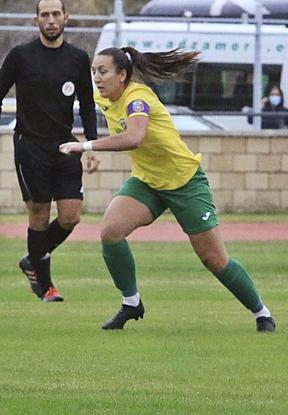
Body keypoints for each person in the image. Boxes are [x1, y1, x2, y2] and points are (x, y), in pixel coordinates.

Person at [58, 46, 276, 333]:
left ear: (122, 74)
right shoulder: (103, 96)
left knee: (214, 260)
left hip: (184, 180)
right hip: (148, 181)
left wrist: (85, 146)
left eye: (103, 71)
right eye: (94, 71)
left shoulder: (137, 97)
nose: (97, 78)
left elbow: (135, 137)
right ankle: (131, 302)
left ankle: (262, 313)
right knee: (111, 231)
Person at [0, 0, 99, 303]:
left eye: (56, 14)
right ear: (36, 20)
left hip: (65, 146)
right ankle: (46, 286)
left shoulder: (77, 57)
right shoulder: (21, 56)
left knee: (71, 217)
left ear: (66, 18)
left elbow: (87, 103)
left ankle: (32, 259)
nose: (50, 19)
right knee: (38, 214)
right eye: (44, 14)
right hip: (30, 145)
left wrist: (91, 144)